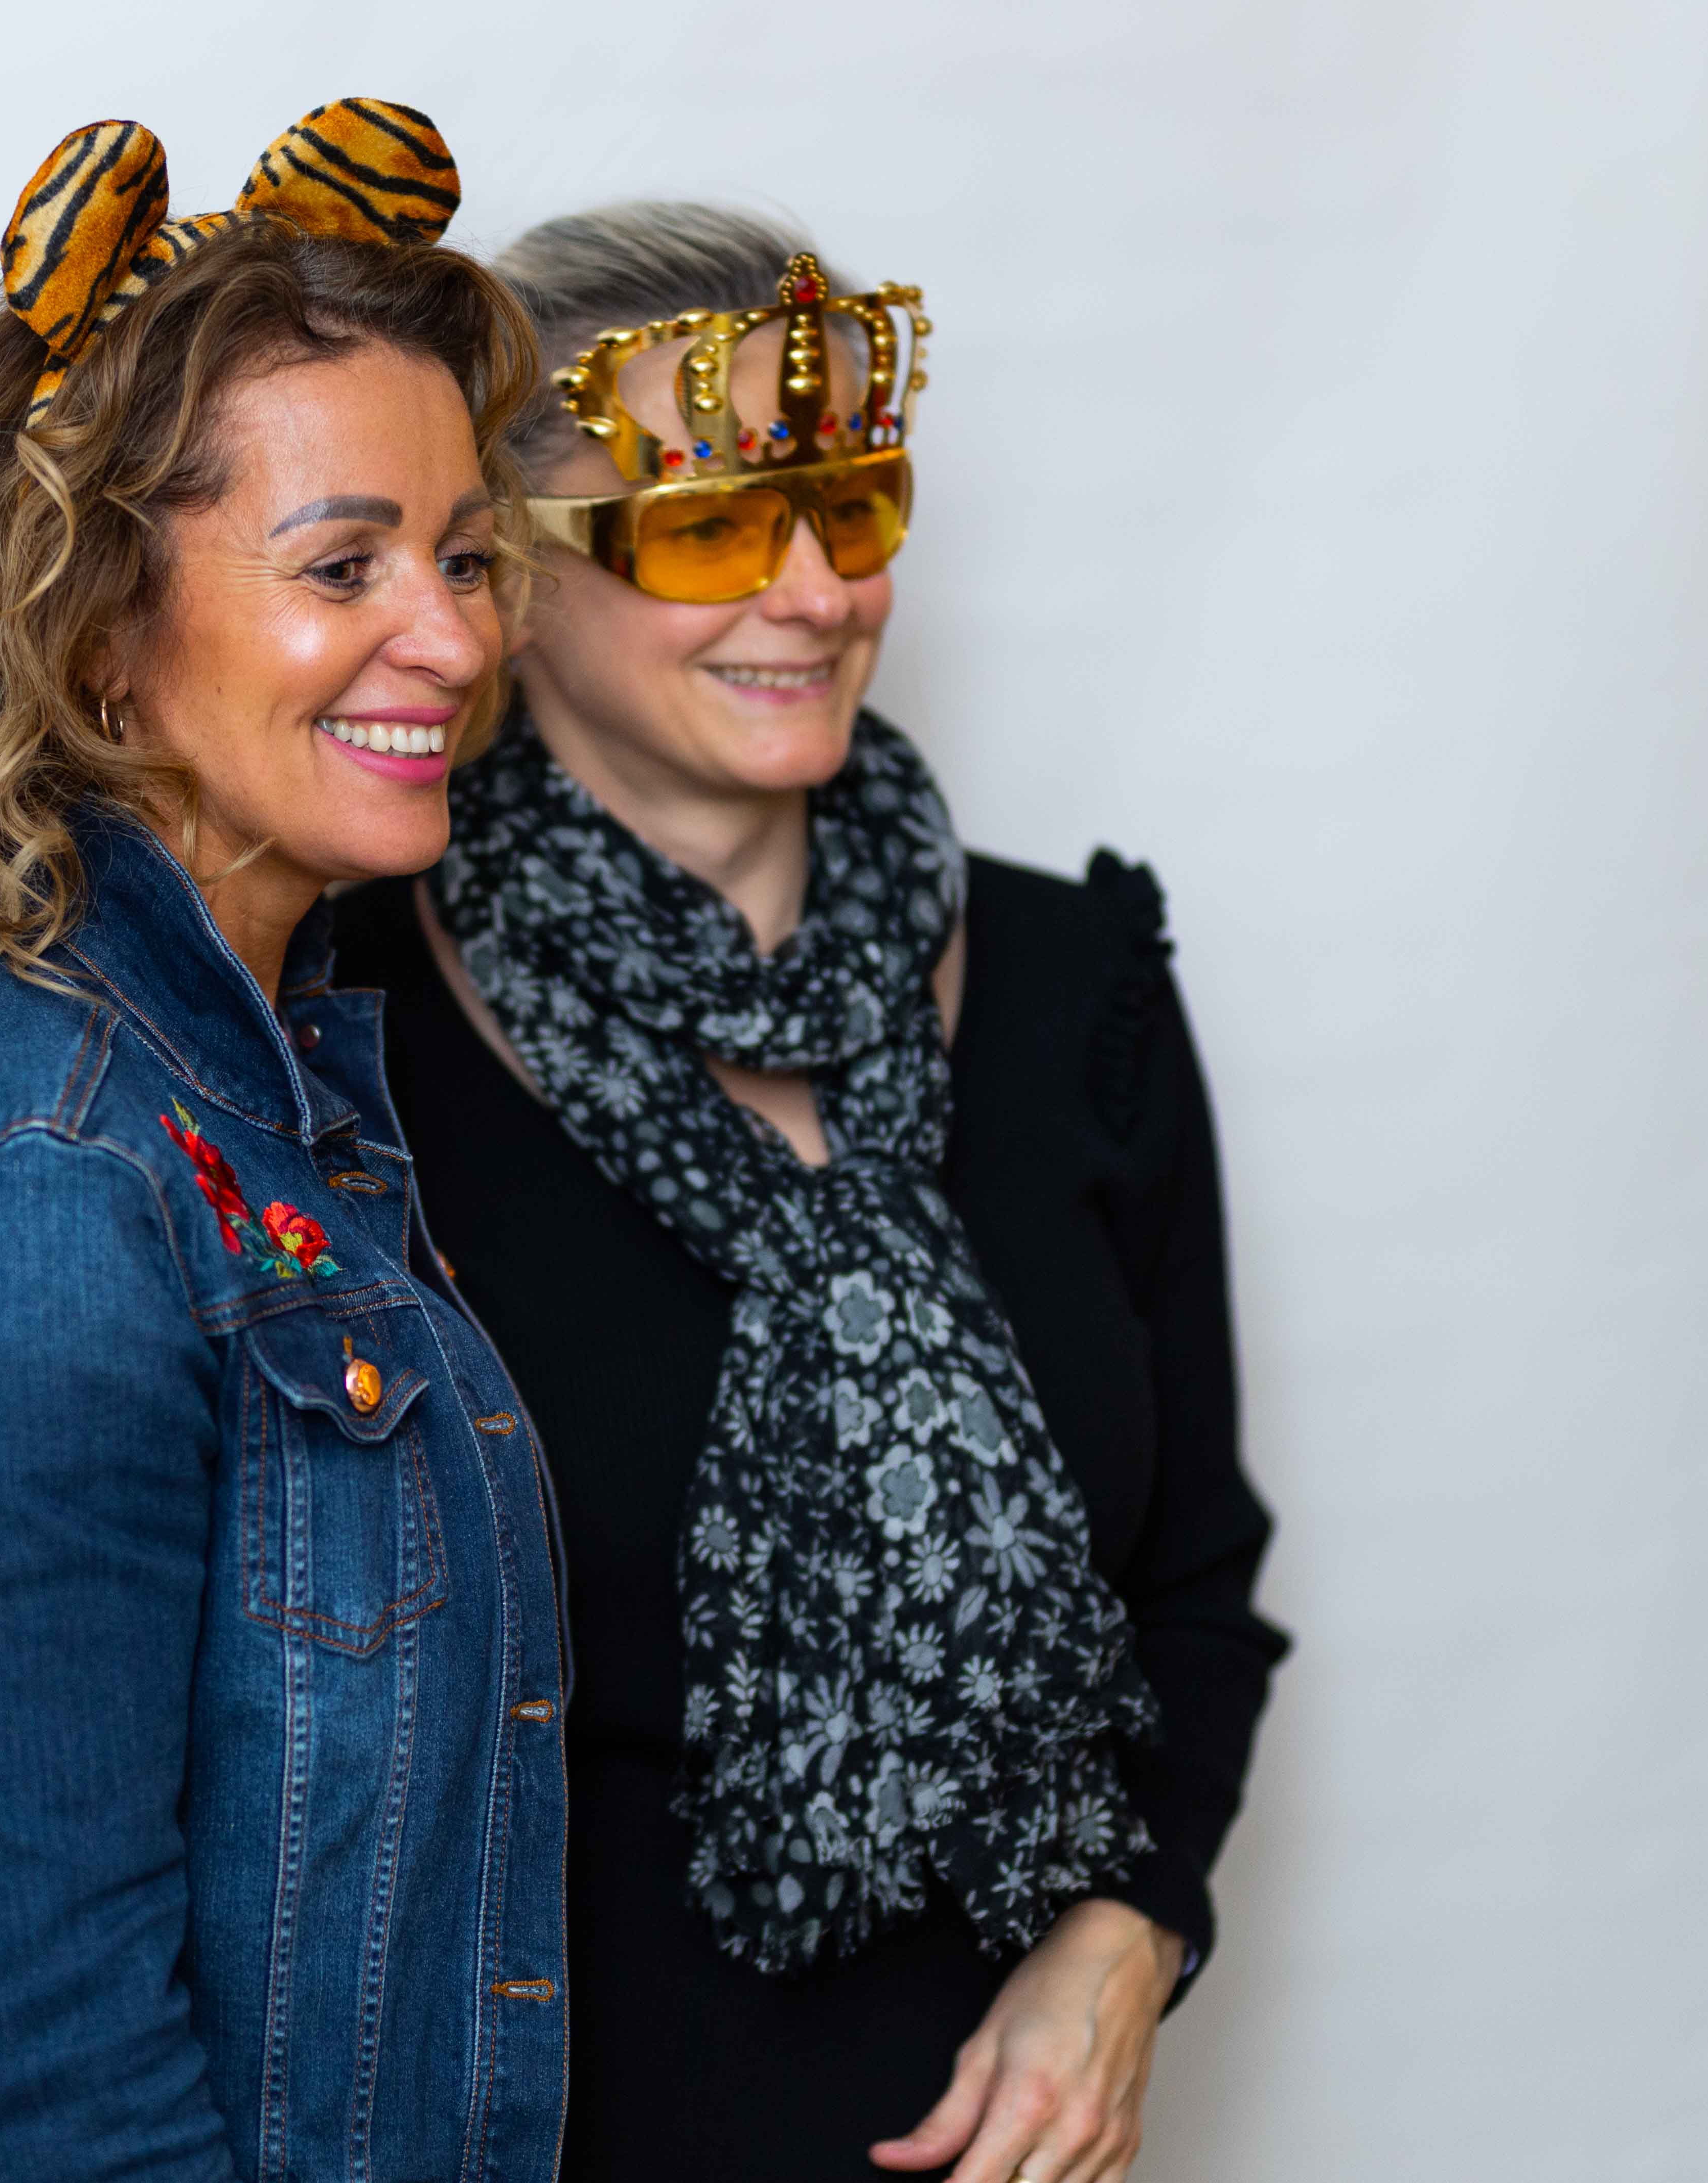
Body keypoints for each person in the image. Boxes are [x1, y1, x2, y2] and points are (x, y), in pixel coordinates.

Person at [320, 206, 1289, 2183]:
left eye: (852, 505)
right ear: (511, 576)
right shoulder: (337, 1034)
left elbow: (1198, 1576)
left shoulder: (1078, 986)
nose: (818, 591)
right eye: (707, 526)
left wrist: (1129, 1929)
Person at [0, 103, 571, 2183]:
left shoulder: (255, 1099)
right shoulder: (40, 1166)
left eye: (463, 559)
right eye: (342, 566)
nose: (454, 638)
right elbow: (61, 2095)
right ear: (97, 630)